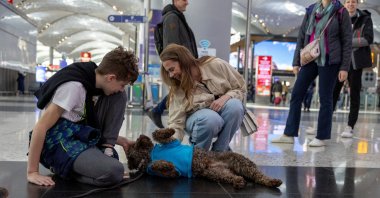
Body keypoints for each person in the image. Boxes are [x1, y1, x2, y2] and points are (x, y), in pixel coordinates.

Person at [27, 46, 139, 187]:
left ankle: (105, 148)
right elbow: (41, 127)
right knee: (114, 171)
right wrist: (32, 171)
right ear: (111, 78)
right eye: (122, 84)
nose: (122, 89)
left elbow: (82, 123)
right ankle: (63, 169)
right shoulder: (74, 87)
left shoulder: (93, 83)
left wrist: (121, 140)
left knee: (119, 97)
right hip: (57, 141)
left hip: (78, 134)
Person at [271, 0, 352, 147]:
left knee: (325, 98)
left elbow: (347, 41)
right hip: (310, 59)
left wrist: (344, 67)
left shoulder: (340, 12)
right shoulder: (311, 10)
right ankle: (289, 133)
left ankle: (321, 136)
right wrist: (296, 61)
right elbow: (302, 37)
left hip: (329, 60)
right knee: (296, 94)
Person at [160, 44, 246, 152]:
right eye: (168, 71)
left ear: (183, 61)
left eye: (172, 69)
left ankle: (220, 152)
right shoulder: (177, 87)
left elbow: (241, 88)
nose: (171, 75)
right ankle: (197, 155)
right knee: (210, 118)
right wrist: (169, 148)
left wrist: (226, 97)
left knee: (235, 106)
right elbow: (176, 123)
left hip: (221, 114)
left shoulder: (216, 65)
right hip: (198, 120)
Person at [148, 0, 198, 128]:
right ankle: (158, 111)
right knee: (180, 89)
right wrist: (178, 65)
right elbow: (172, 45)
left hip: (184, 63)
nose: (187, 2)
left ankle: (157, 111)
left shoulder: (176, 17)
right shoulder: (172, 17)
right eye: (184, 0)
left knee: (180, 89)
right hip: (182, 64)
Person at [332, 0, 374, 138]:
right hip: (339, 61)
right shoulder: (337, 17)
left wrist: (347, 42)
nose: (350, 4)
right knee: (333, 92)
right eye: (348, 1)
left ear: (357, 4)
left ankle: (350, 126)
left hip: (355, 62)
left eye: (353, 2)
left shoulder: (365, 19)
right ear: (344, 3)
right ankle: (324, 122)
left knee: (354, 94)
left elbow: (368, 39)